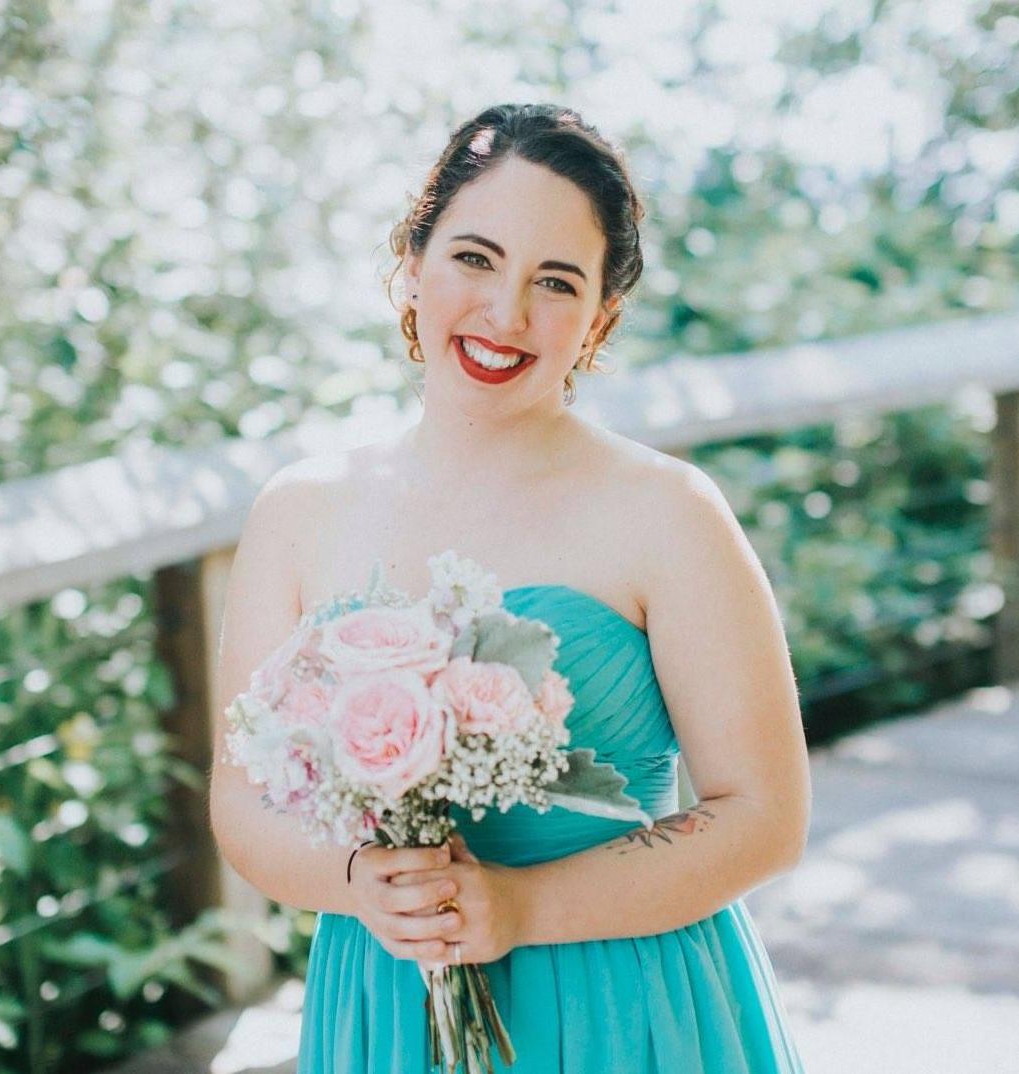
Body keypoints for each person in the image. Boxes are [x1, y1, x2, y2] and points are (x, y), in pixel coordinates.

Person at [211, 102, 812, 1073]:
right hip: (390, 994)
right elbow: (244, 806)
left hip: (625, 1001)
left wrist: (522, 908)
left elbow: (765, 819)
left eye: (556, 282)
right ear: (412, 262)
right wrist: (364, 881)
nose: (505, 313)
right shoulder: (300, 510)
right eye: (474, 259)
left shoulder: (668, 512)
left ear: (599, 318)